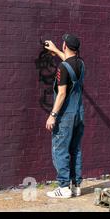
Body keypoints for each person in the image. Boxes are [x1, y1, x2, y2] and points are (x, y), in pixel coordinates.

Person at [43, 34, 85, 199]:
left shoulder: (62, 67)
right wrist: (54, 50)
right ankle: (75, 186)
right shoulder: (81, 64)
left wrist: (52, 115)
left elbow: (61, 94)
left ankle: (63, 187)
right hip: (79, 114)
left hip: (65, 116)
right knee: (75, 150)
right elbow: (70, 64)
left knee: (60, 150)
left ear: (65, 46)